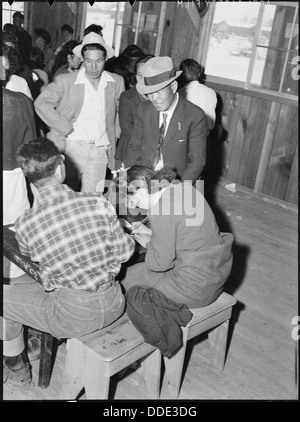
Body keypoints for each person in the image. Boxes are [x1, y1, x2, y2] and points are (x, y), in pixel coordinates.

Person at [2, 137, 135, 388]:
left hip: (72, 316)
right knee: (20, 290)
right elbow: (126, 252)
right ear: (61, 166)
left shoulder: (26, 223)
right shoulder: (98, 203)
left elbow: (33, 255)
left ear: (27, 176)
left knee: (8, 294)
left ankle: (16, 365)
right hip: (116, 301)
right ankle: (28, 348)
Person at [118, 165, 234, 310]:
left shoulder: (160, 211)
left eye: (132, 200)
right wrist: (149, 231)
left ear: (139, 192)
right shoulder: (184, 188)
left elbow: (159, 265)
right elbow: (184, 231)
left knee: (123, 281)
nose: (135, 205)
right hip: (216, 272)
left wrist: (149, 243)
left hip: (192, 289)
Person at [34, 32, 124, 195]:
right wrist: (64, 126)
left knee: (93, 198)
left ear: (106, 59)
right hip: (72, 146)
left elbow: (119, 111)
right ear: (82, 59)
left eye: (99, 61)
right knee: (65, 195)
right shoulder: (66, 80)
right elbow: (41, 103)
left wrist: (115, 136)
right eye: (89, 61)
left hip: (100, 149)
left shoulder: (116, 81)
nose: (94, 67)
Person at [127, 56, 208, 184]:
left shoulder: (195, 115)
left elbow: (197, 162)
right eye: (149, 93)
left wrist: (178, 188)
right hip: (145, 177)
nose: (154, 99)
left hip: (177, 181)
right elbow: (135, 148)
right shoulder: (143, 110)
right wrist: (133, 177)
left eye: (158, 92)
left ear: (174, 86)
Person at [2, 87, 37, 280]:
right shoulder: (20, 100)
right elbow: (30, 143)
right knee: (17, 223)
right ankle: (16, 271)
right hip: (13, 172)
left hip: (13, 171)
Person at [115, 54, 154, 166]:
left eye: (146, 76)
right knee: (122, 183)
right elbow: (127, 128)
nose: (141, 80)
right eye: (139, 75)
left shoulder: (160, 97)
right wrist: (151, 142)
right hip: (129, 152)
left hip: (152, 156)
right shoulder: (127, 97)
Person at [179, 59, 217, 133]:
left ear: (181, 75)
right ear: (199, 74)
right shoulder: (211, 92)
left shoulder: (180, 94)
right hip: (207, 133)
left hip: (187, 134)